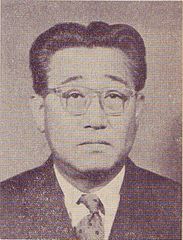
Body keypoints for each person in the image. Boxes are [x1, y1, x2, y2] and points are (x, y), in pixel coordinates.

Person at [0, 22, 181, 240]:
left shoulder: (176, 207)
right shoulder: (5, 209)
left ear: (137, 110)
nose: (96, 120)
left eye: (114, 96)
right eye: (74, 96)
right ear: (40, 111)